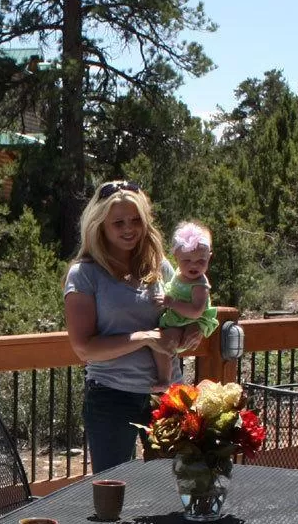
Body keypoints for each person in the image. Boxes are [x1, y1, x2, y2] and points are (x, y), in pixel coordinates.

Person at [63, 180, 181, 473]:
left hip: (167, 393)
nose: (129, 229)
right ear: (99, 224)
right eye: (118, 222)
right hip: (111, 396)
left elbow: (178, 320)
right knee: (113, 491)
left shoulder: (159, 267)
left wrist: (188, 334)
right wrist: (143, 338)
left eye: (135, 220)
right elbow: (83, 347)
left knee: (176, 484)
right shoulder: (85, 274)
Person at [152, 221, 219, 390]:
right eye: (187, 260)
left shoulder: (200, 285)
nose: (193, 265)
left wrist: (171, 302)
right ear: (176, 257)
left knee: (163, 344)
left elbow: (196, 311)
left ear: (209, 257)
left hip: (184, 322)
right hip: (175, 319)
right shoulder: (178, 274)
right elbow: (172, 288)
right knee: (160, 344)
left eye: (200, 261)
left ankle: (164, 379)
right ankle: (165, 378)